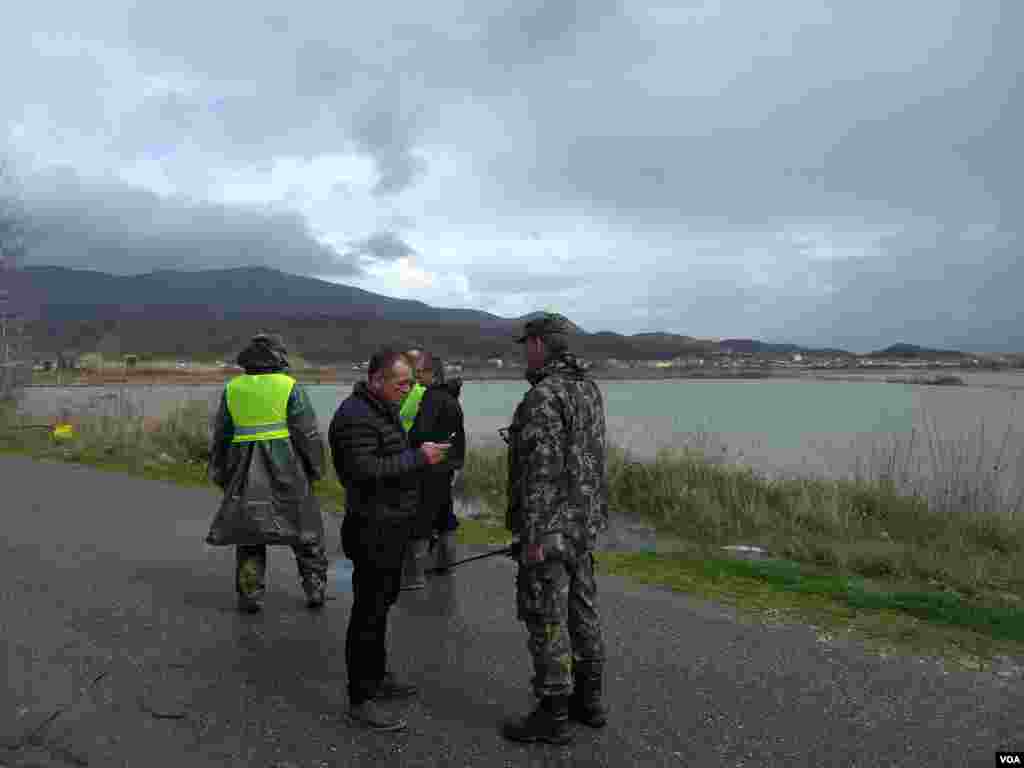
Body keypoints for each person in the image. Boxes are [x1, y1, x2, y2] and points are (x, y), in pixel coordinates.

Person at [328, 348, 451, 731]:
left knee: (380, 608)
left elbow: (388, 460)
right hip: (371, 528)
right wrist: (420, 458)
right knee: (368, 613)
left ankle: (378, 678)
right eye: (402, 383)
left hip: (391, 525)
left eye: (412, 383)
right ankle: (360, 698)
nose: (408, 389)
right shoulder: (354, 416)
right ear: (377, 380)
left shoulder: (381, 410)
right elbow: (364, 471)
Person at [502, 313, 610, 745]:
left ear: (541, 345)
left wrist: (534, 537)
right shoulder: (588, 389)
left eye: (526, 344)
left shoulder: (543, 397)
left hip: (551, 530)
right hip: (584, 524)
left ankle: (554, 713)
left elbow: (541, 473)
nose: (524, 353)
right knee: (582, 610)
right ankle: (591, 700)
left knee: (546, 615)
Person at [205, 333, 328, 613]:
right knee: (306, 530)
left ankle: (250, 595)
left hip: (243, 472)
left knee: (250, 534)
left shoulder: (233, 388)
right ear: (279, 357)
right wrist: (317, 469)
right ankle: (315, 589)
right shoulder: (289, 387)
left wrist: (219, 470)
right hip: (288, 468)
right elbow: (307, 434)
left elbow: (222, 435)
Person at [406, 352, 466, 580]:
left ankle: (414, 576)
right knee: (445, 518)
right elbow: (457, 437)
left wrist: (407, 445)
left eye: (419, 372)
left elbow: (420, 433)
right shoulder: (451, 399)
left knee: (422, 521)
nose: (415, 376)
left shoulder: (432, 399)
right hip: (447, 467)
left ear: (431, 373)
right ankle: (446, 566)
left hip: (430, 469)